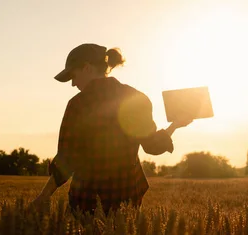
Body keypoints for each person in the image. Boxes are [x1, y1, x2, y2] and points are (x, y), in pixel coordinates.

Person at [31, 43, 192, 214]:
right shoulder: (135, 98)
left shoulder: (78, 104)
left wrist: (43, 196)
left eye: (73, 75)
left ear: (87, 68)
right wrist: (175, 125)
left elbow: (68, 158)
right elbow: (152, 145)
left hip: (87, 200)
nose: (72, 84)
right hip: (128, 198)